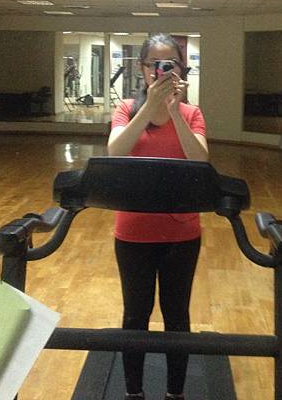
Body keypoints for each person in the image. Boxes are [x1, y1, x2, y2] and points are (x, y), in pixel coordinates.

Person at [108, 33, 209, 400]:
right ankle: (133, 392)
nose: (163, 71)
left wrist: (175, 112)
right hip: (133, 232)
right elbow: (115, 152)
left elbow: (200, 160)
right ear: (143, 68)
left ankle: (175, 393)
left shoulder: (192, 113)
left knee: (177, 315)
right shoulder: (125, 109)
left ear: (181, 70)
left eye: (171, 65)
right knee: (135, 315)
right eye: (156, 65)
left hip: (181, 234)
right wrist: (149, 106)